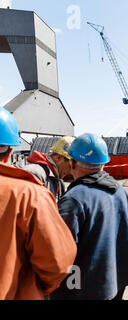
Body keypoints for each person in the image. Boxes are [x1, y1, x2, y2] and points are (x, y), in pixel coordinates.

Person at [51, 133, 128, 300]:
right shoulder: (120, 192)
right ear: (104, 163)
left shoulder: (73, 200)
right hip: (115, 280)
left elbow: (59, 252)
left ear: (73, 162)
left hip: (84, 288)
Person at [0, 107, 76, 300]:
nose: (73, 168)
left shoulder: (55, 179)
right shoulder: (33, 184)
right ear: (9, 153)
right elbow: (57, 263)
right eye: (70, 162)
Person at [23, 136, 75, 201]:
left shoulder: (58, 179)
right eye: (70, 166)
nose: (71, 171)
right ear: (58, 158)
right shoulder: (35, 173)